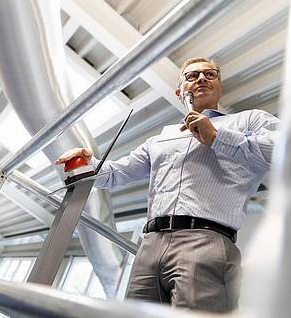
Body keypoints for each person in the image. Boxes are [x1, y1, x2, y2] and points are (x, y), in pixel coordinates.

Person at [55, 57, 280, 312]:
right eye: (192, 76)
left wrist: (217, 137)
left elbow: (283, 150)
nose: (202, 79)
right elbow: (116, 173)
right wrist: (88, 162)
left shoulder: (249, 121)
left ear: (220, 86)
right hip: (150, 245)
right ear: (179, 92)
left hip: (206, 240)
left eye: (210, 74)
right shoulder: (162, 138)